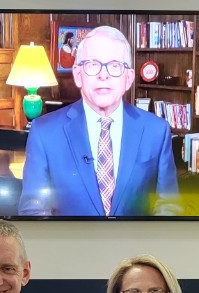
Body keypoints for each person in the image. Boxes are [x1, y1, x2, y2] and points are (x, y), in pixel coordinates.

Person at [18, 25, 179, 217]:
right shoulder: (44, 132)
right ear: (78, 75)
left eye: (114, 66)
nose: (104, 75)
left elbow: (168, 206)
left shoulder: (156, 131)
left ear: (128, 78)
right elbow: (33, 212)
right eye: (93, 65)